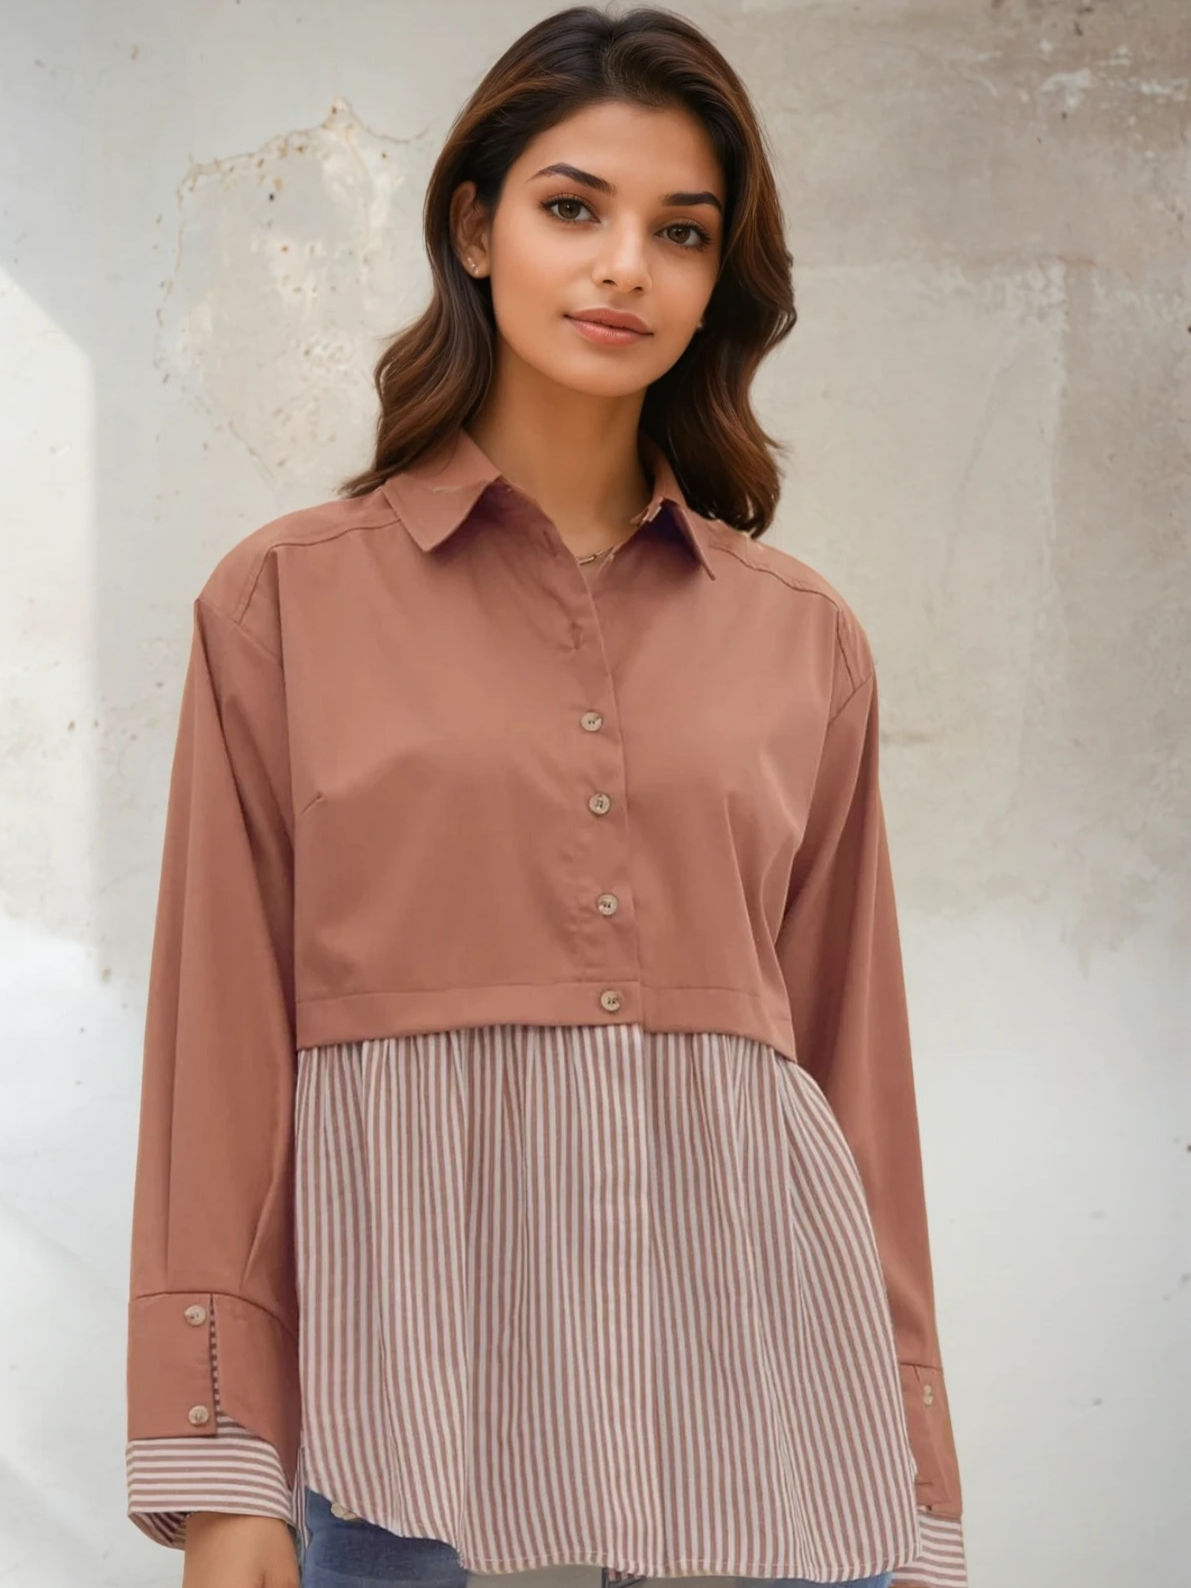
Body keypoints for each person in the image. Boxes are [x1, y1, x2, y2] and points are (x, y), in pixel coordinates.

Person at [123, 7, 966, 1588]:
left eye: (683, 231)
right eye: (574, 207)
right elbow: (215, 1052)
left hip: (768, 1425)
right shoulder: (284, 602)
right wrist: (226, 1461)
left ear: (725, 278)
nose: (625, 266)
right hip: (405, 1431)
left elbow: (860, 1081)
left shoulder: (803, 637)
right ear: (476, 227)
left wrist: (916, 1476)